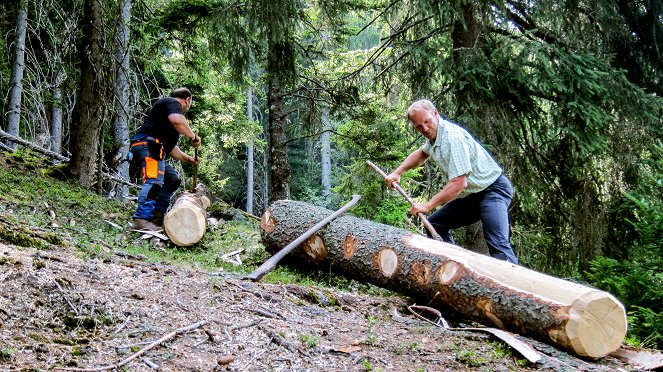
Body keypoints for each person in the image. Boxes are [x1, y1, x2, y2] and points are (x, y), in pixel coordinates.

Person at [385, 99, 518, 264]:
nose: (425, 129)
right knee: (435, 225)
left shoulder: (452, 138)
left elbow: (458, 183)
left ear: (436, 113)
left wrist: (427, 205)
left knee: (498, 244)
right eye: (419, 126)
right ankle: (455, 269)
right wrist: (398, 172)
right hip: (474, 195)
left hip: (493, 190)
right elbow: (421, 154)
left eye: (427, 122)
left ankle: (515, 287)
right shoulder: (435, 137)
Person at [130, 87, 201, 232]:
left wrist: (188, 158)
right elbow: (177, 120)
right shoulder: (172, 103)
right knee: (154, 180)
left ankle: (157, 214)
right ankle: (142, 219)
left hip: (154, 147)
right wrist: (193, 137)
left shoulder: (166, 121)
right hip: (148, 145)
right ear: (187, 100)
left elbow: (171, 149)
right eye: (189, 103)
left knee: (172, 179)